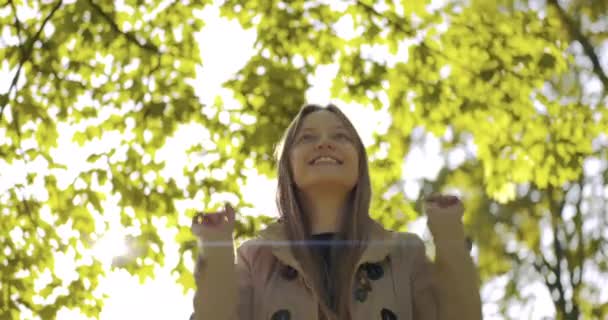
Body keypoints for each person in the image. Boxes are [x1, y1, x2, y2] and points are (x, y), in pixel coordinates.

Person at [190, 104, 482, 320]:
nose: (324, 142)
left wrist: (450, 239)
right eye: (306, 138)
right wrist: (215, 249)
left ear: (359, 164)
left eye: (341, 136)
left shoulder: (405, 253)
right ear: (288, 168)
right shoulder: (255, 258)